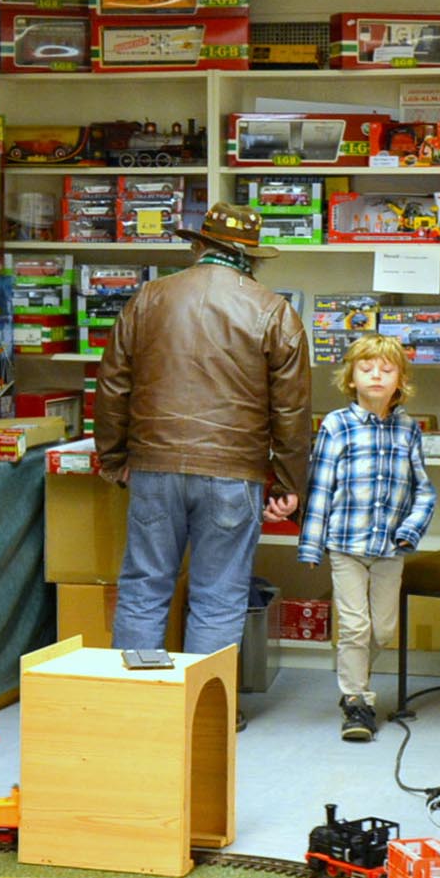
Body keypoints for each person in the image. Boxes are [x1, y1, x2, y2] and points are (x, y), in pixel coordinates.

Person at [94, 201, 310, 682]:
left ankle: (134, 703)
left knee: (144, 588)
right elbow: (292, 412)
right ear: (250, 256)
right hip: (235, 474)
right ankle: (203, 713)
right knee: (219, 596)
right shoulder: (274, 311)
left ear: (199, 245)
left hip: (153, 465)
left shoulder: (148, 298)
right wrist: (291, 485)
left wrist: (113, 458)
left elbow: (111, 386)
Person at [297, 334, 438, 743]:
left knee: (383, 632)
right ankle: (357, 702)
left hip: (391, 549)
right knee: (356, 627)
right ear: (351, 377)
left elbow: (424, 491)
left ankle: (356, 676)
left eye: (387, 368)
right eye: (366, 368)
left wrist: (410, 530)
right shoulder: (337, 426)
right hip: (346, 545)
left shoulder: (408, 429)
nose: (376, 374)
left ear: (400, 380)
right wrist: (311, 544)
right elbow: (320, 488)